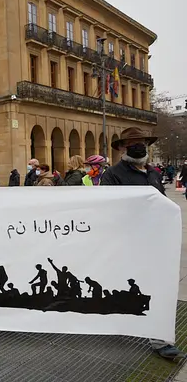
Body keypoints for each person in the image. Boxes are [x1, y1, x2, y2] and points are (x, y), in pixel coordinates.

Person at [100, 127, 183, 360]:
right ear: (121, 149)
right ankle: (111, 320)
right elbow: (108, 208)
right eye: (131, 144)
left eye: (141, 144)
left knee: (157, 287)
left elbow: (162, 201)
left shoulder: (154, 172)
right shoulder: (113, 174)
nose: (138, 148)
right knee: (123, 285)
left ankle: (160, 339)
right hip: (128, 242)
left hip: (155, 240)